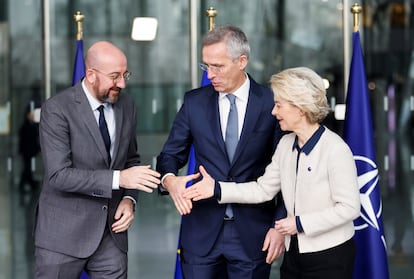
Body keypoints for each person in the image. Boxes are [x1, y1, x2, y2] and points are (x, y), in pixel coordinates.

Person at [184, 67, 361, 279]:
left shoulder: (335, 148)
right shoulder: (286, 144)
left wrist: (299, 223)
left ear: (300, 108)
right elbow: (263, 190)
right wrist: (217, 188)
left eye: (279, 105)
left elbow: (350, 208)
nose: (273, 112)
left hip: (330, 256)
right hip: (294, 254)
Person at [156, 24, 286, 279]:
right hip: (201, 233)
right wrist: (169, 180)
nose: (210, 74)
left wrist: (280, 227)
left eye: (218, 66)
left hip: (254, 234)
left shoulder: (272, 103)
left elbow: (287, 172)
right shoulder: (194, 102)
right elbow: (169, 155)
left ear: (242, 61)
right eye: (206, 66)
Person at [34, 41, 161, 279]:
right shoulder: (56, 109)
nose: (122, 83)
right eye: (115, 76)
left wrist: (130, 199)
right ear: (91, 74)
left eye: (125, 75)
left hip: (111, 235)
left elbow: (131, 160)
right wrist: (119, 179)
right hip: (62, 237)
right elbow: (58, 175)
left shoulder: (127, 105)